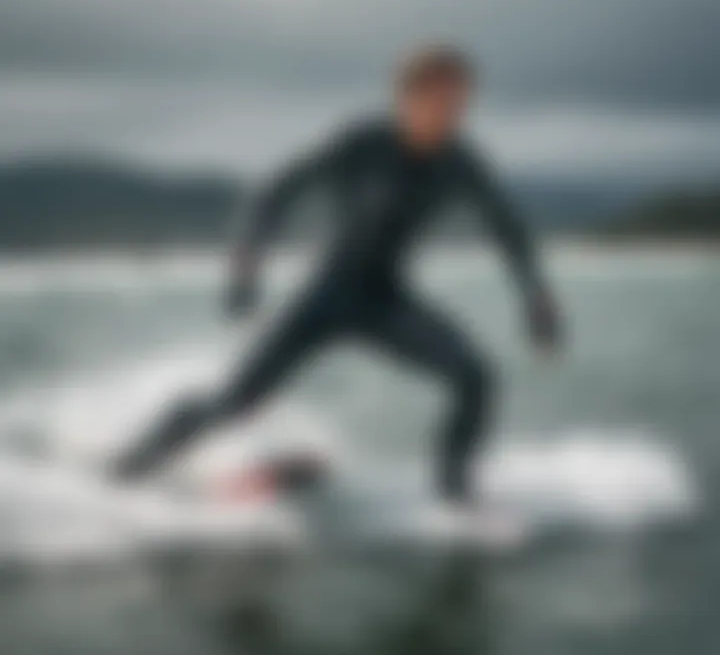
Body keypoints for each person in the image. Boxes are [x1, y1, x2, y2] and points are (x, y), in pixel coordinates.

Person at [113, 45, 562, 503]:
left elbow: (510, 232)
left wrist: (536, 297)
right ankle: (128, 468)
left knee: (475, 377)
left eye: (462, 105)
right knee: (233, 405)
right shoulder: (360, 144)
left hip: (384, 300)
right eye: (444, 103)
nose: (455, 116)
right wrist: (247, 267)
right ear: (408, 97)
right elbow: (274, 193)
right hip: (324, 299)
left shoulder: (460, 162)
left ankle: (456, 495)